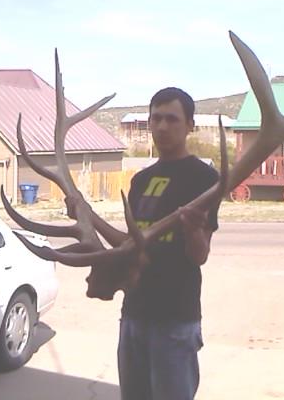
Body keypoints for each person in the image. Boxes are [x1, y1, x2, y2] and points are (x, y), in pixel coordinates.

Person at [117, 87, 220, 400]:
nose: (162, 127)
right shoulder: (140, 181)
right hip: (133, 314)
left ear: (190, 125)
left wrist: (192, 231)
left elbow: (200, 255)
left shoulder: (204, 179)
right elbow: (130, 244)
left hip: (175, 320)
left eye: (172, 119)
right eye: (156, 119)